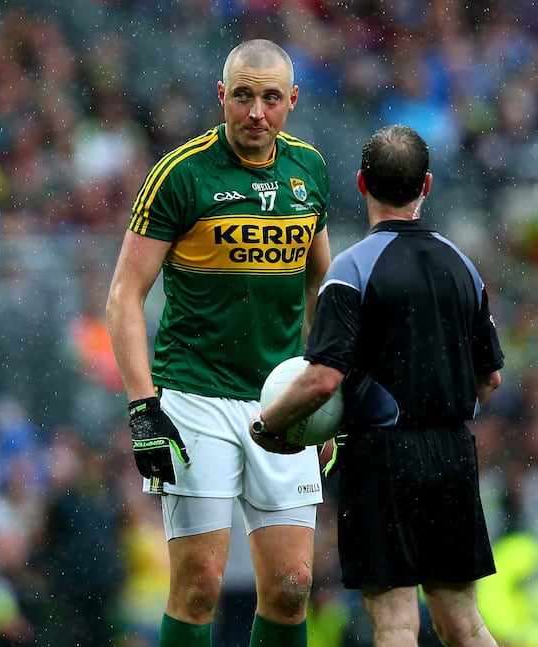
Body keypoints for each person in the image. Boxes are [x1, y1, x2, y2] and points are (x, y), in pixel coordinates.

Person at [106, 38, 332, 647]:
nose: (255, 112)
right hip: (195, 398)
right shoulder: (181, 174)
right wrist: (141, 407)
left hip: (281, 402)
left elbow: (322, 290)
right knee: (199, 585)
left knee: (291, 586)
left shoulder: (309, 171)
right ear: (221, 97)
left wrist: (325, 401)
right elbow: (125, 293)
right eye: (242, 96)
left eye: (269, 98)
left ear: (292, 101)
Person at [250, 124, 503, 646]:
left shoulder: (350, 269)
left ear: (361, 183)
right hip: (453, 451)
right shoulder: (463, 266)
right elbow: (491, 377)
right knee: (464, 623)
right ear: (426, 186)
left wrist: (268, 424)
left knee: (395, 624)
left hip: (383, 458)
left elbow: (321, 381)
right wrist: (440, 409)